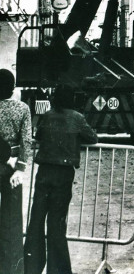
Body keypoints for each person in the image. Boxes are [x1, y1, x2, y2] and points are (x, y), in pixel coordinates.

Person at [24, 84, 97, 274]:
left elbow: (38, 135)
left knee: (36, 219)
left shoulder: (47, 115)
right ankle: (58, 270)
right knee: (56, 222)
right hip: (63, 173)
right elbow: (92, 138)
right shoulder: (77, 118)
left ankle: (31, 266)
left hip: (44, 171)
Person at [0, 68, 32, 274]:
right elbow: (26, 141)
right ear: (13, 89)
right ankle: (11, 269)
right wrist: (20, 167)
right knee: (11, 221)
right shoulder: (22, 109)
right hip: (12, 170)